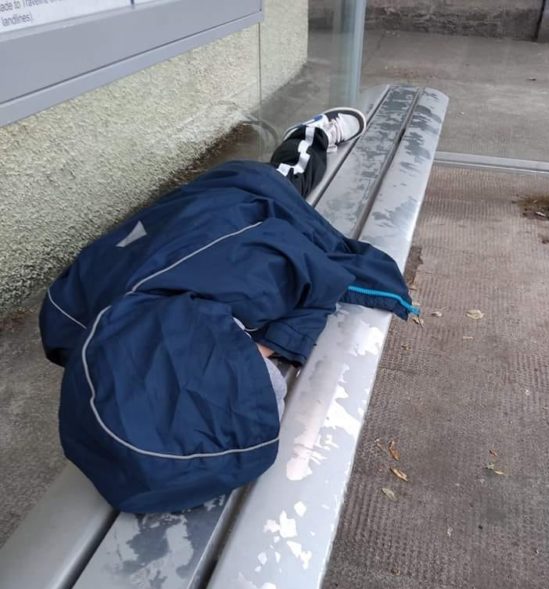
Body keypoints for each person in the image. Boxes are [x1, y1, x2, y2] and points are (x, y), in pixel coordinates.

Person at [40, 107, 417, 514]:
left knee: (289, 176)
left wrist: (272, 345)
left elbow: (320, 275)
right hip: (171, 227)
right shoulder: (66, 318)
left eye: (261, 370)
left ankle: (314, 133)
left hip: (240, 195)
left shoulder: (253, 276)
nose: (272, 370)